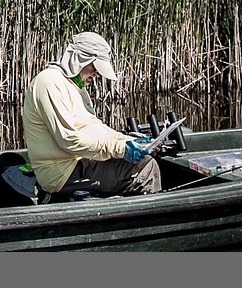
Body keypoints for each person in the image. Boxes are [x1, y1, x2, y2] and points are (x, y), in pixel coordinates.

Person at [21, 31, 161, 198]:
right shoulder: (50, 83)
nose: (97, 74)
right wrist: (121, 149)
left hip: (80, 161)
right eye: (95, 68)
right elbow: (68, 140)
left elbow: (94, 126)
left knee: (141, 159)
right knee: (147, 167)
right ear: (79, 60)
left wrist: (129, 140)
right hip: (62, 172)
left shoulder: (75, 85)